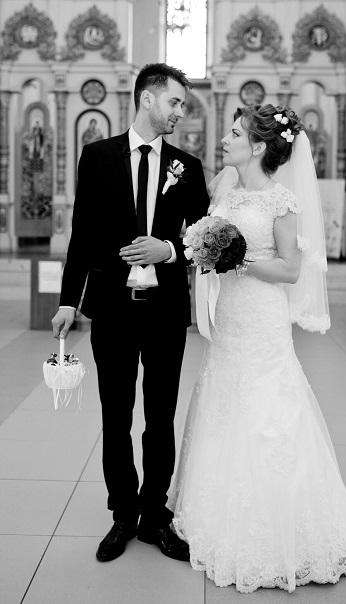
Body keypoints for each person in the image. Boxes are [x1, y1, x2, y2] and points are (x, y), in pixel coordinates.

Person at [168, 104, 346, 593]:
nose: (225, 139)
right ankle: (213, 515)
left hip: (261, 316)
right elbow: (206, 238)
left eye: (234, 134)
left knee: (269, 409)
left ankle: (282, 526)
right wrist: (200, 247)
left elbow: (290, 269)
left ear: (258, 146)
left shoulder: (281, 200)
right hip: (229, 316)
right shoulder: (225, 188)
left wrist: (234, 260)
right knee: (224, 400)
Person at [51, 63, 210, 563]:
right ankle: (123, 513)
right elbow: (82, 234)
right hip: (113, 311)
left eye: (182, 104)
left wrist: (169, 250)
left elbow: (205, 238)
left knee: (160, 417)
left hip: (165, 313)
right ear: (147, 99)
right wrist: (68, 300)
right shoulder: (98, 156)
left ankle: (155, 516)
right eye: (174, 102)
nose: (180, 112)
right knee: (115, 416)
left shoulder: (187, 166)